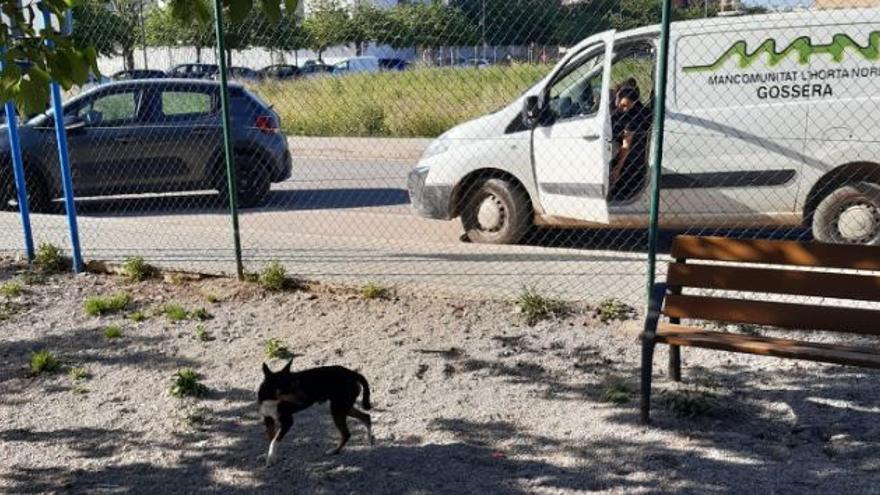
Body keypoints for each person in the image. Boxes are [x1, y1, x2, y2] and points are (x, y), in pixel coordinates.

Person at [609, 82, 651, 201]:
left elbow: (626, 146)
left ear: (633, 104)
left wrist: (617, 168)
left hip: (633, 154)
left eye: (625, 106)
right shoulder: (620, 110)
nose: (621, 108)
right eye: (620, 104)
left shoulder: (634, 117)